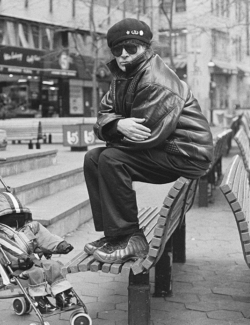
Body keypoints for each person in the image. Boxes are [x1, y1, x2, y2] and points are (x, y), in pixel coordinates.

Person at [83, 18, 214, 264]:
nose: (123, 55)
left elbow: (146, 134)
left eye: (131, 48)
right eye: (117, 50)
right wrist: (116, 124)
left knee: (111, 159)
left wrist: (109, 127)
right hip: (163, 148)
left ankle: (131, 238)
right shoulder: (122, 77)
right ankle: (115, 236)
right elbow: (103, 115)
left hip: (186, 154)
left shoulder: (156, 80)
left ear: (145, 48)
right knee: (93, 158)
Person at [0, 192, 74, 313]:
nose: (16, 218)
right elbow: (11, 248)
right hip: (16, 266)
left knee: (55, 266)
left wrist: (59, 245)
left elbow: (45, 236)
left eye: (18, 214)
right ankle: (40, 300)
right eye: (11, 215)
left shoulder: (29, 227)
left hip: (34, 260)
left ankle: (63, 297)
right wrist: (25, 258)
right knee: (36, 272)